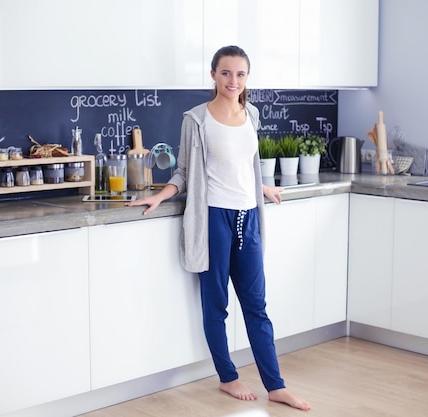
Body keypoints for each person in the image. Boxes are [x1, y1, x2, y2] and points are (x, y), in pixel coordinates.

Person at [127, 45, 311, 411]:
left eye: (240, 74)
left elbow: (241, 167)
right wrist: (159, 196)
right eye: (226, 73)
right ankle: (228, 378)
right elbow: (185, 172)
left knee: (256, 306)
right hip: (213, 219)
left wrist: (262, 187)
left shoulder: (252, 115)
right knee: (217, 305)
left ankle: (276, 385)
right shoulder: (196, 119)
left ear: (247, 78)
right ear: (213, 75)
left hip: (248, 218)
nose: (233, 81)